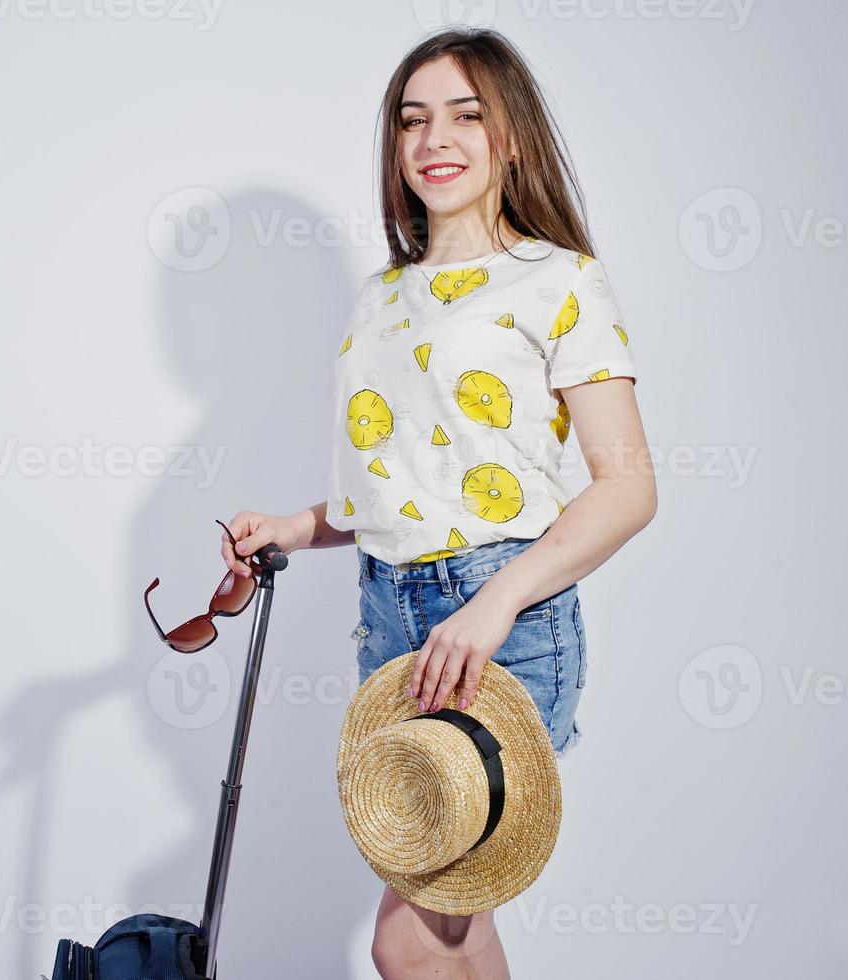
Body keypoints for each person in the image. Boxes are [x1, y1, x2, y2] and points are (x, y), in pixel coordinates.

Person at [219, 26, 656, 980]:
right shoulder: (382, 297)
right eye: (411, 120)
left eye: (465, 114)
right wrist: (299, 526)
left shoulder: (559, 282)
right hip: (389, 623)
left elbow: (627, 488)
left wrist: (491, 607)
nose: (432, 139)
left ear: (510, 138)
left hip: (504, 619)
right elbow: (400, 484)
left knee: (409, 938)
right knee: (462, 925)